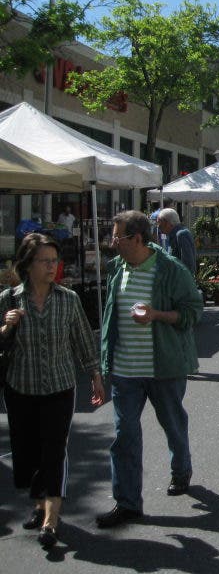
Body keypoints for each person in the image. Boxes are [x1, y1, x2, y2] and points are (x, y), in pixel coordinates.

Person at [95, 210, 204, 529]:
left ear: (137, 239)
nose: (113, 242)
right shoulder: (117, 269)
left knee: (172, 423)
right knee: (123, 435)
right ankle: (127, 502)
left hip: (164, 367)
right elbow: (109, 322)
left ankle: (181, 470)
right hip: (125, 371)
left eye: (118, 237)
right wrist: (102, 365)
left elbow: (193, 311)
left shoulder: (171, 270)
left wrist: (157, 314)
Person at [1, 233, 104, 549]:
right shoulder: (9, 299)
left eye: (54, 261)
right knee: (28, 451)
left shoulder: (68, 299)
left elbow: (83, 339)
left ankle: (51, 519)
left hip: (60, 387)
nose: (52, 266)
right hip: (21, 387)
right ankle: (38, 503)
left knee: (54, 450)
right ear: (28, 265)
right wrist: (6, 326)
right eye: (45, 261)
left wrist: (96, 375)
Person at [156, 208, 197, 277]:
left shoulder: (181, 234)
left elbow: (188, 265)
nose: (158, 226)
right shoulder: (174, 235)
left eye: (159, 222)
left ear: (166, 223)